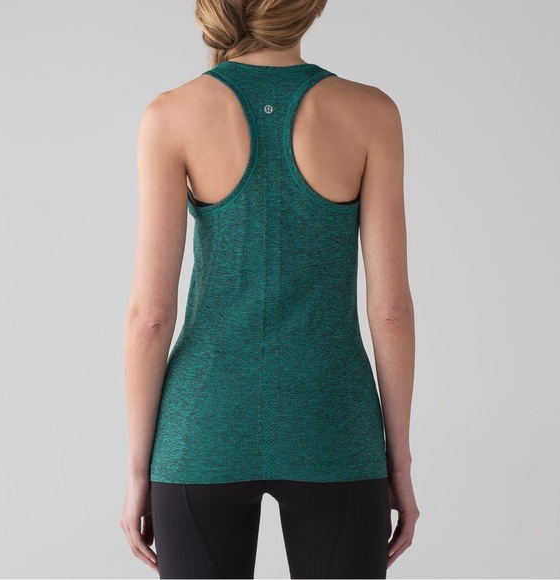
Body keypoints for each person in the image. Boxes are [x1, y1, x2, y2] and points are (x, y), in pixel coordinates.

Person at [120, 0, 419, 577]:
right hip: (334, 427)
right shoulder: (371, 113)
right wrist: (398, 465)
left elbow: (150, 318)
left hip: (202, 430)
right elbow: (391, 313)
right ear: (309, 9)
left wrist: (138, 472)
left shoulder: (171, 114)